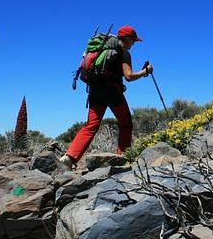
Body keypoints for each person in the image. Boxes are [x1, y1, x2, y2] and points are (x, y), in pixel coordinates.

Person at [60, 25, 153, 168]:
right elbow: (128, 76)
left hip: (95, 91)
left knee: (91, 125)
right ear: (127, 39)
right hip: (112, 91)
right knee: (125, 123)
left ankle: (70, 157)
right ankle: (124, 158)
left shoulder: (99, 50)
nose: (133, 44)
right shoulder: (123, 53)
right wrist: (145, 71)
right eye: (133, 41)